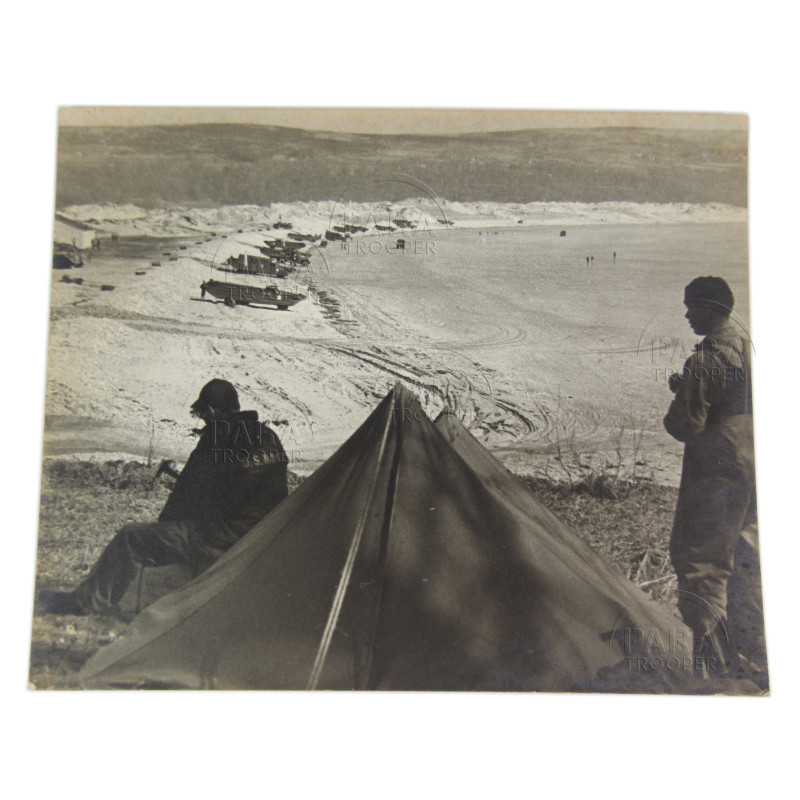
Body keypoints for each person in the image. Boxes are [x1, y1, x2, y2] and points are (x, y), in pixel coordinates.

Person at [39, 379, 288, 616]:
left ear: (211, 411)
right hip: (261, 539)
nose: (204, 422)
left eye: (202, 416)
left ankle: (86, 603)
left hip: (220, 539)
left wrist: (162, 530)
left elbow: (185, 498)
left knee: (131, 536)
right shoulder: (268, 436)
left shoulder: (216, 437)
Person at [664, 277, 766, 685]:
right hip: (752, 459)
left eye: (692, 307)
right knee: (746, 556)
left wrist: (680, 396)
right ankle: (755, 657)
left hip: (717, 465)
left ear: (710, 307)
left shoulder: (706, 358)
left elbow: (687, 424)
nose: (687, 314)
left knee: (701, 559)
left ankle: (712, 671)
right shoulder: (746, 343)